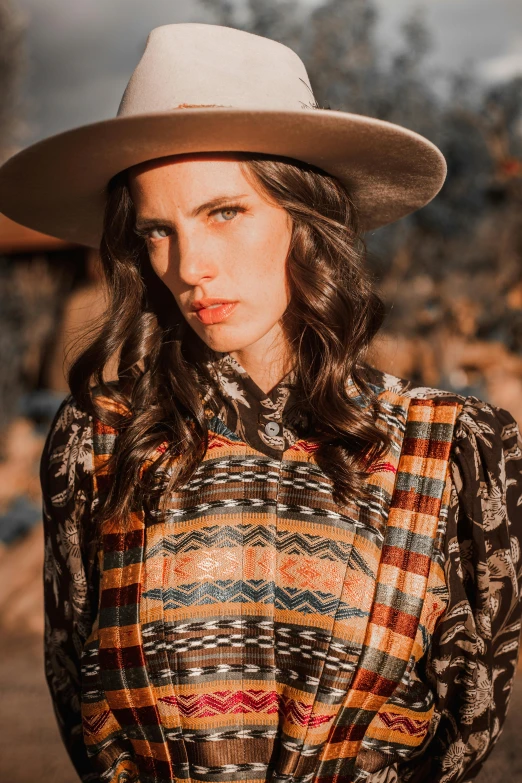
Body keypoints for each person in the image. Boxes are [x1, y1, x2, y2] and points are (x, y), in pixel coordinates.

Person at [0, 22, 521, 783]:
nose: (189, 268)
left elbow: (470, 730)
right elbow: (79, 702)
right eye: (156, 231)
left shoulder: (452, 454)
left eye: (224, 212)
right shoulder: (100, 444)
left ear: (304, 217)